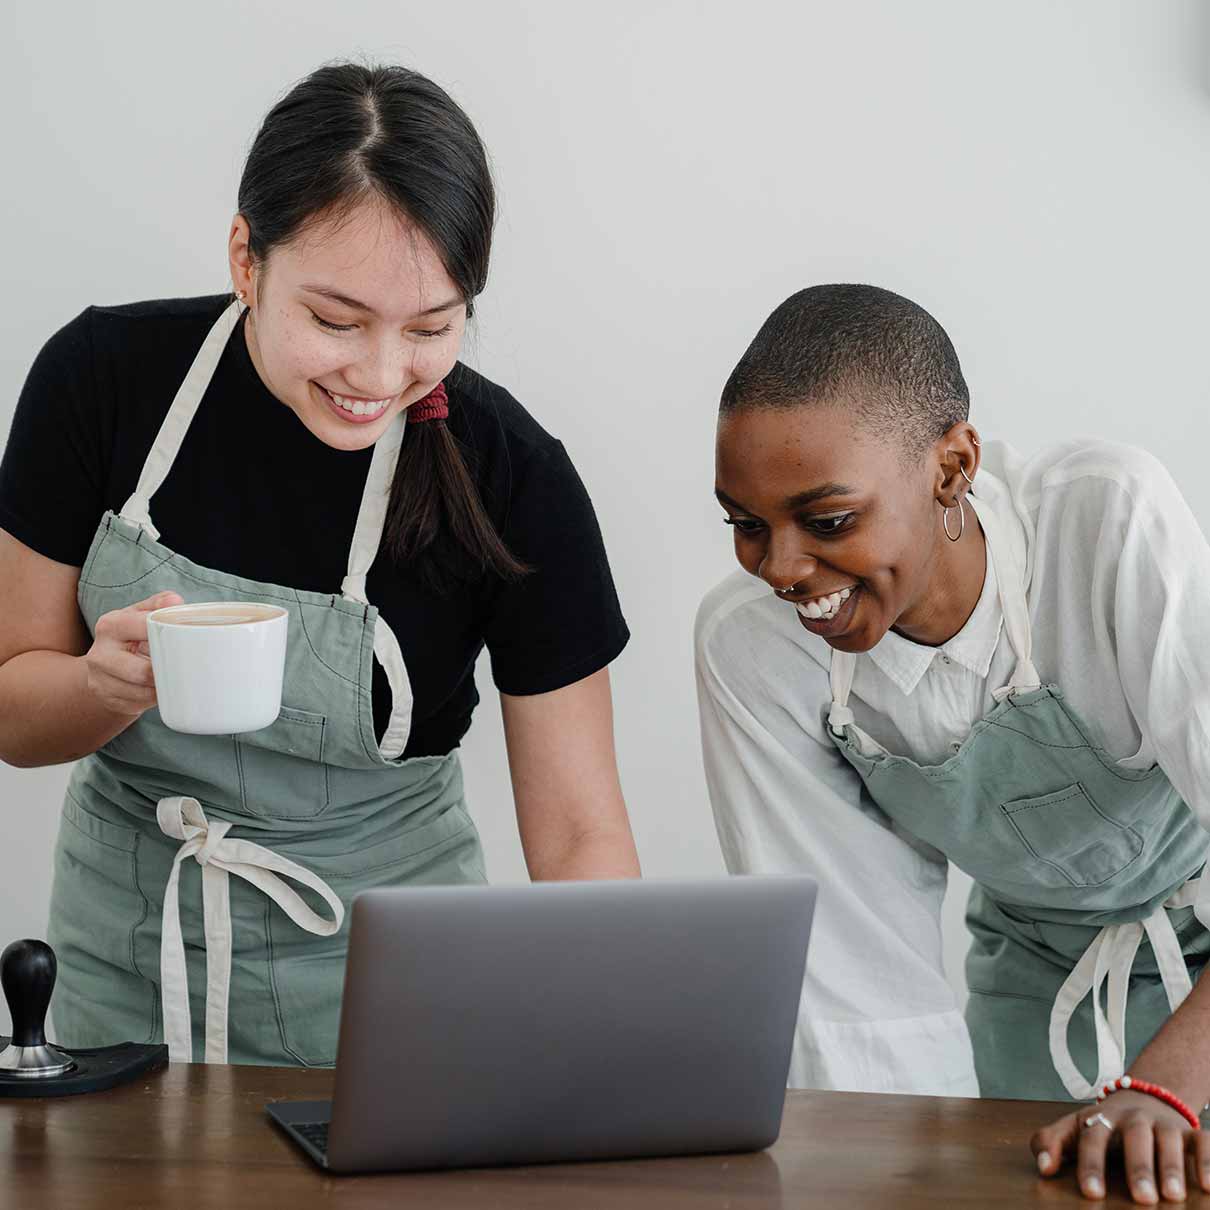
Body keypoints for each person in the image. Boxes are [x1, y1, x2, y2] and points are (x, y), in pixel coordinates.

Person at [0, 62, 639, 1068]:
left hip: (396, 983)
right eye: (336, 321)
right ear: (245, 260)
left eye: (431, 328)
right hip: (128, 957)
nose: (378, 375)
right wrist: (99, 687)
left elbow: (578, 837)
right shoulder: (101, 382)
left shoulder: (513, 477)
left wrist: (621, 1057)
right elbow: (11, 708)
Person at [696, 283, 1210, 1203]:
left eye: (828, 521)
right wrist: (889, 1181)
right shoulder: (753, 648)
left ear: (953, 466)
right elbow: (856, 985)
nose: (782, 569)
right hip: (1034, 979)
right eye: (746, 524)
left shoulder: (1104, 524)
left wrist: (1167, 1085)